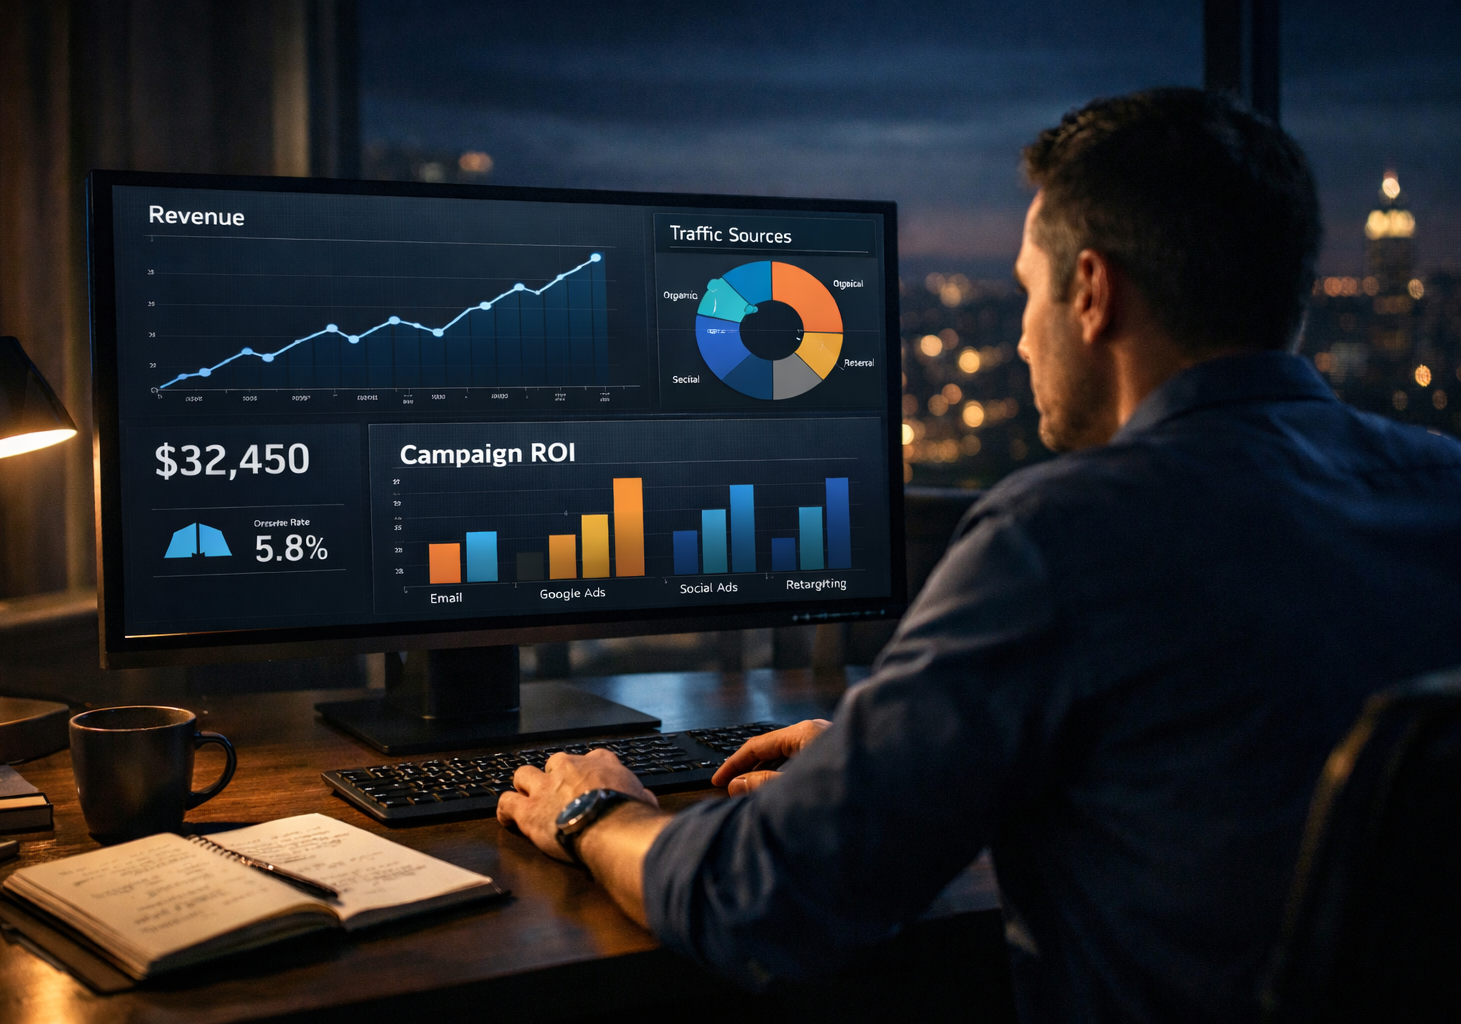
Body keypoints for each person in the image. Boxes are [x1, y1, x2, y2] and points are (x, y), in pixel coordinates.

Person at [498, 88, 1461, 1021]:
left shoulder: (1061, 534)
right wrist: (901, 767)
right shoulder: (1440, 489)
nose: (1026, 341)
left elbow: (763, 905)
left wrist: (598, 815)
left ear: (1091, 292)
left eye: (1026, 295)